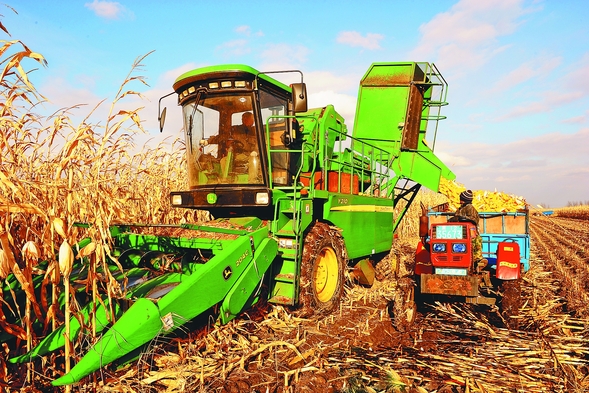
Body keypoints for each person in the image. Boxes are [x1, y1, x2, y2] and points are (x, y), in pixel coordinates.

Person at [451, 190, 488, 273]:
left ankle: (478, 262)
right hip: (460, 232)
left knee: (475, 246)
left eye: (460, 198)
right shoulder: (461, 208)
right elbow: (456, 217)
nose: (459, 200)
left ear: (464, 200)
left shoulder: (470, 208)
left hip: (470, 232)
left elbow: (473, 219)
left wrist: (462, 218)